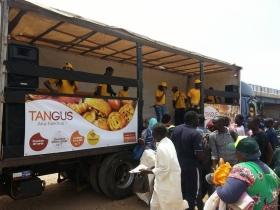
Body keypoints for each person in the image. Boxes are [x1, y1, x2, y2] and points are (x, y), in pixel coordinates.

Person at [214, 137, 280, 210]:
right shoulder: (271, 171)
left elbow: (228, 196)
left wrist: (218, 185)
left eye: (236, 151)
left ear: (239, 154)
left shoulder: (242, 169)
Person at [140, 124, 188, 210]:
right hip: (166, 181)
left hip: (167, 182)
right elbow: (164, 162)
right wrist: (153, 167)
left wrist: (148, 171)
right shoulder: (168, 142)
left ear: (158, 135)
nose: (152, 136)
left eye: (153, 134)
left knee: (167, 205)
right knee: (155, 204)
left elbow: (164, 169)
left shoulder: (162, 147)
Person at [171, 111, 204, 210]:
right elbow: (199, 155)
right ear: (193, 120)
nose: (199, 120)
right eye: (197, 118)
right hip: (191, 168)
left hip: (177, 166)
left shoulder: (176, 129)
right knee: (192, 193)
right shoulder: (195, 133)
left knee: (181, 191)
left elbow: (171, 146)